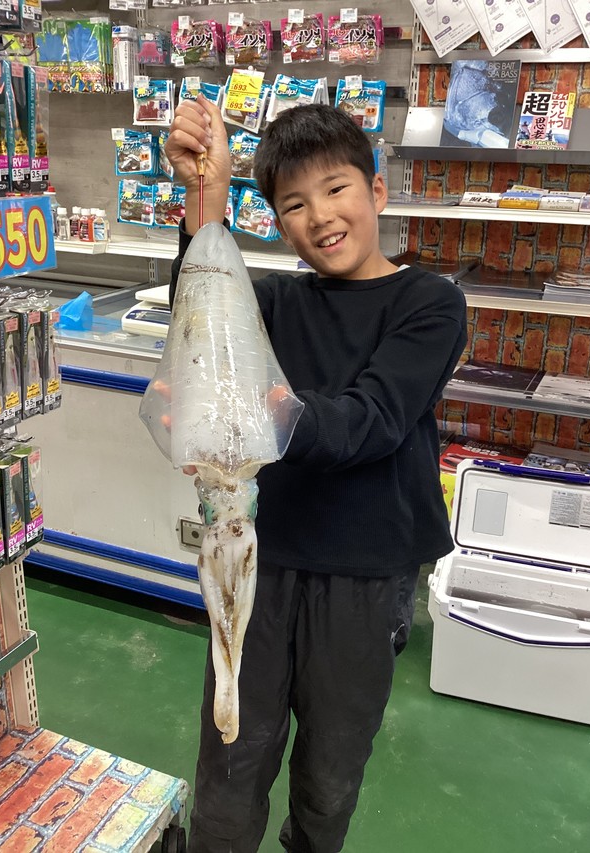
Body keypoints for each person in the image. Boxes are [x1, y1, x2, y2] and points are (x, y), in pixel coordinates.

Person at [165, 95, 468, 853]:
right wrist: (206, 192)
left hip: (366, 575)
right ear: (276, 221)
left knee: (330, 774)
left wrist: (265, 418)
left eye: (336, 189)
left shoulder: (430, 303)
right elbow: (202, 316)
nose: (320, 216)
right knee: (230, 758)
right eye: (294, 204)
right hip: (261, 565)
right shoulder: (271, 300)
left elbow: (374, 419)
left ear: (377, 190)